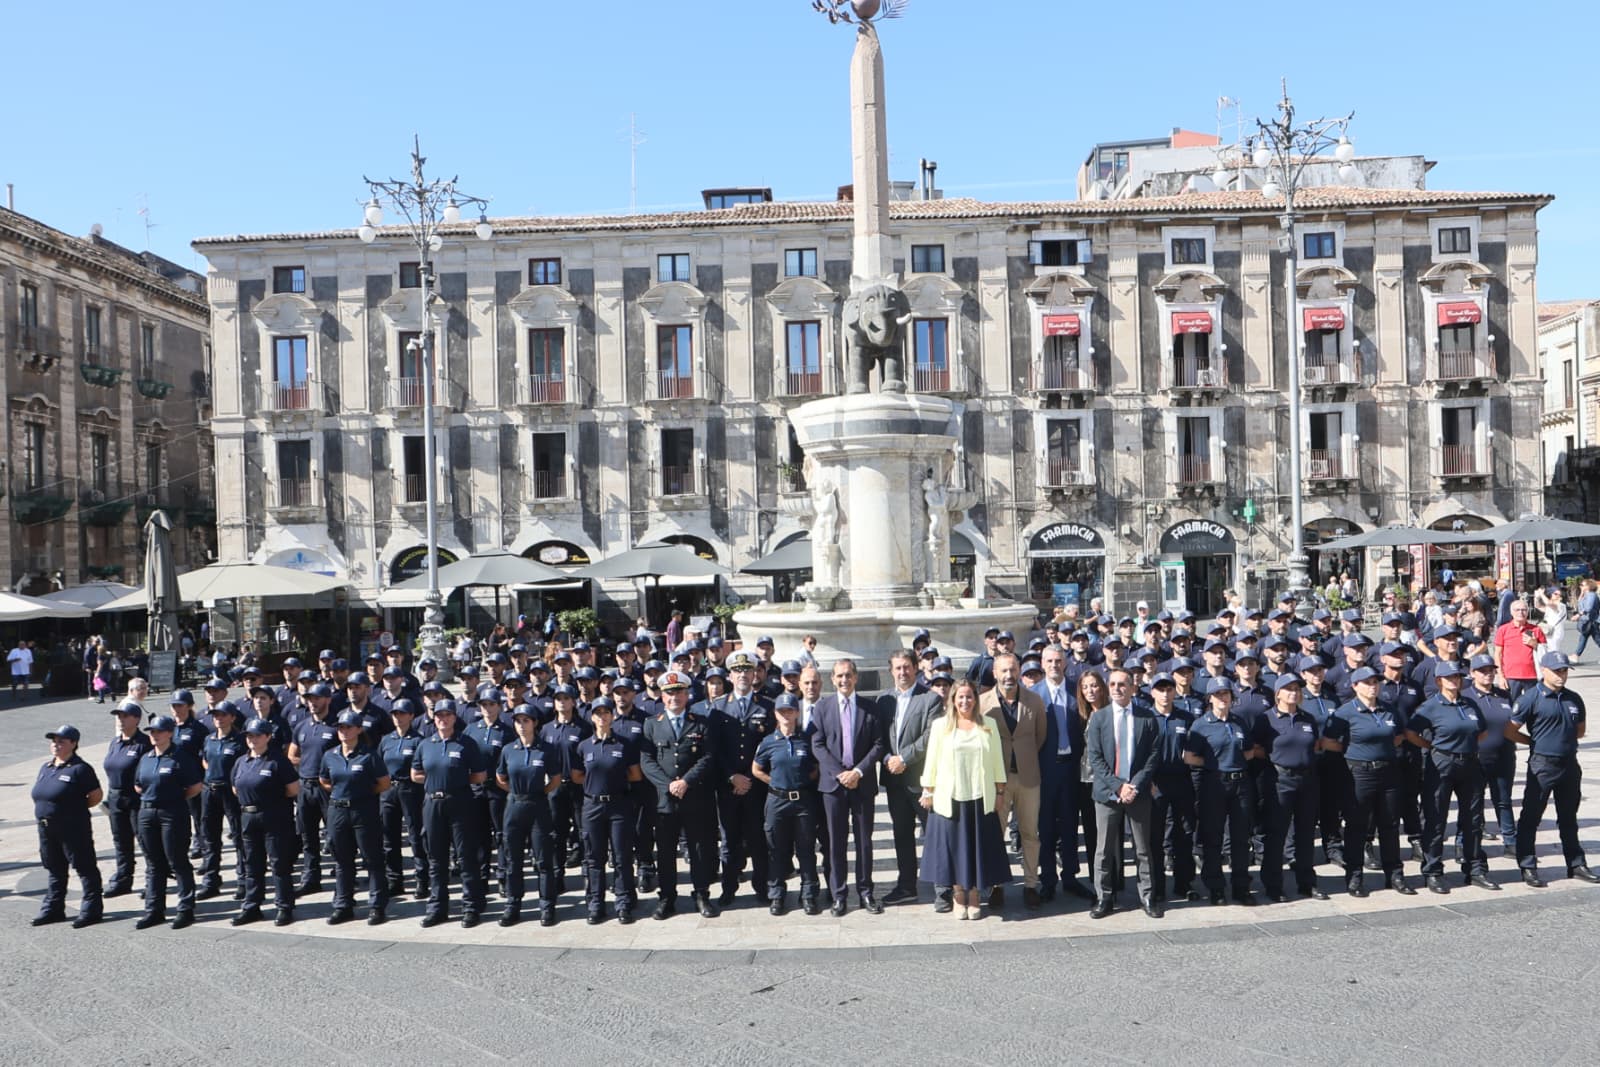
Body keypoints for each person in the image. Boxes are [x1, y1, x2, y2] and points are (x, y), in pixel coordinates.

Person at [919, 679, 1010, 920]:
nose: (965, 701)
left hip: (980, 797)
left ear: (975, 699)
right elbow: (932, 760)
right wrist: (927, 790)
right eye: (960, 697)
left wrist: (1000, 792)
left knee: (976, 849)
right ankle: (958, 894)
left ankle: (974, 895)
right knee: (954, 850)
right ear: (953, 700)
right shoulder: (941, 726)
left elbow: (997, 761)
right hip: (951, 797)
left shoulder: (988, 724)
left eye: (969, 696)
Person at [1508, 652, 1597, 887]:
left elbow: (1579, 730)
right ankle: (1527, 865)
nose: (1561, 675)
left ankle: (1576, 864)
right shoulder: (1531, 698)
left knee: (1568, 817)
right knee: (1531, 817)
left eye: (1564, 671)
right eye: (1557, 671)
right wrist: (1533, 742)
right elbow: (1510, 730)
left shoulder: (1573, 698)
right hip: (1542, 764)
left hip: (1569, 764)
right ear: (1544, 670)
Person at [1405, 662, 1495, 893]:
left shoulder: (1469, 704)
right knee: (1435, 819)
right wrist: (1432, 746)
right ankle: (1433, 870)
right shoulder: (1430, 707)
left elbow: (1482, 731)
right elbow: (1411, 733)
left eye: (1458, 677)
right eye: (1450, 677)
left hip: (1470, 762)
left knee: (1473, 819)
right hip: (1442, 763)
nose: (1455, 681)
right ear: (1439, 681)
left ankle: (1474, 868)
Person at [1324, 667, 1414, 898]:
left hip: (1388, 772)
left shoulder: (1389, 709)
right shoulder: (1345, 713)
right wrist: (1353, 751)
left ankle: (1394, 874)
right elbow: (1328, 742)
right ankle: (1354, 876)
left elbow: (1398, 736)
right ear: (1355, 686)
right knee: (1357, 826)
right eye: (1366, 682)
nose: (1372, 686)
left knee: (1390, 825)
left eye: (1375, 681)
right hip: (1359, 773)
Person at [639, 670, 720, 919]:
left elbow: (708, 758)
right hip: (666, 800)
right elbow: (646, 760)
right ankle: (667, 898)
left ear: (687, 694)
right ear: (662, 696)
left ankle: (701, 894)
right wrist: (668, 785)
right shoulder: (652, 724)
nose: (675, 697)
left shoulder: (701, 723)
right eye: (669, 693)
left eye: (679, 692)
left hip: (695, 797)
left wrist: (685, 781)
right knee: (665, 850)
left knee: (698, 848)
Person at [811, 658, 885, 916]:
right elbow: (817, 744)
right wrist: (840, 773)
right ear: (832, 679)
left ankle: (866, 892)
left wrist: (857, 771)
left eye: (848, 676)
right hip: (833, 786)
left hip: (862, 784)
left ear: (856, 678)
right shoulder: (822, 708)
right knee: (835, 843)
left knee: (864, 842)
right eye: (839, 676)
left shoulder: (870, 708)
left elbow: (878, 744)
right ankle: (839, 895)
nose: (844, 680)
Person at [1085, 669, 1161, 918]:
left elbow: (1152, 757)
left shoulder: (1147, 718)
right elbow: (1095, 758)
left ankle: (1147, 896)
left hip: (1138, 793)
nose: (1117, 688)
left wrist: (1134, 785)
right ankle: (1103, 898)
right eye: (1113, 684)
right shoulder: (1099, 718)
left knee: (1142, 848)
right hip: (1108, 793)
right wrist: (1118, 786)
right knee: (1104, 850)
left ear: (1132, 688)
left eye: (1122, 684)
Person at [410, 700, 489, 927]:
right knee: (436, 859)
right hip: (433, 804)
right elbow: (415, 773)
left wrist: (456, 782)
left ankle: (471, 907)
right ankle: (438, 908)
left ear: (454, 718)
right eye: (438, 716)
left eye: (447, 715)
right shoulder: (426, 744)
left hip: (460, 802)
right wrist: (436, 782)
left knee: (465, 858)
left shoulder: (466, 743)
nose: (442, 719)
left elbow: (480, 775)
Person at [707, 650, 775, 907]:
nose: (743, 675)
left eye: (747, 670)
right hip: (728, 787)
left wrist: (749, 777)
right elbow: (714, 749)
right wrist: (732, 776)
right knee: (729, 841)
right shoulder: (718, 707)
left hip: (757, 786)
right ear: (729, 676)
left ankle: (762, 886)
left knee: (758, 839)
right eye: (737, 671)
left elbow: (769, 747)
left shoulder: (767, 706)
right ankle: (729, 888)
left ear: (755, 673)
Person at [980, 652, 1046, 909]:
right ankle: (996, 884)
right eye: (1003, 671)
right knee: (996, 834)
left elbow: (1040, 737)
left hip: (1028, 777)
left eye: (1013, 670)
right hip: (997, 781)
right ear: (995, 673)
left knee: (1030, 833)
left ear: (1019, 671)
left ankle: (1031, 884)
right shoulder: (983, 703)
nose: (1009, 675)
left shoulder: (1034, 701)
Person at [1184, 681, 1260, 905]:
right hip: (1214, 783)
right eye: (1217, 694)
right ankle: (1215, 887)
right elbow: (1189, 757)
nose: (1222, 698)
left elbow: (1249, 752)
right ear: (1210, 698)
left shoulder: (1239, 723)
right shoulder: (1201, 725)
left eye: (1225, 693)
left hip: (1240, 783)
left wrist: (1232, 764)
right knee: (1213, 837)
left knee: (1239, 838)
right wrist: (1215, 765)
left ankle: (1241, 886)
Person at [876, 649, 941, 906]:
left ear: (915, 668)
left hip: (921, 780)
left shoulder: (930, 699)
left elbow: (930, 736)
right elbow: (878, 737)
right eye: (897, 668)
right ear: (891, 671)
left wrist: (903, 758)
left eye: (907, 667)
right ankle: (906, 886)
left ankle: (943, 888)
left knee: (934, 834)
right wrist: (887, 760)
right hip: (894, 781)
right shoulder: (884, 700)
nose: (902, 672)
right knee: (901, 834)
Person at [1256, 674, 1329, 901]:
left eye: (1297, 689)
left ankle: (1307, 882)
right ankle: (1273, 885)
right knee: (1276, 834)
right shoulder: (1266, 719)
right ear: (1277, 693)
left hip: (1307, 780)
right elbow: (1257, 749)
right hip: (1280, 780)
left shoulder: (1307, 718)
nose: (1294, 693)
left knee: (1305, 834)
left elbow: (1314, 745)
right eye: (1288, 689)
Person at [752, 693, 822, 915]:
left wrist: (800, 783)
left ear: (797, 713)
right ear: (775, 714)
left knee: (806, 850)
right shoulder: (768, 742)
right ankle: (777, 895)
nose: (786, 715)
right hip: (777, 801)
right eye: (782, 711)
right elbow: (756, 769)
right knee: (777, 850)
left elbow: (815, 768)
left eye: (790, 710)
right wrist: (776, 784)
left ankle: (809, 894)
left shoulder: (805, 740)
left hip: (802, 802)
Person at [320, 709, 392, 925]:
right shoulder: (330, 755)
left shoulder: (369, 755)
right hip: (338, 810)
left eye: (348, 727)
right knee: (342, 860)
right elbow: (324, 780)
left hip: (363, 810)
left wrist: (361, 794)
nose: (343, 731)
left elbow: (384, 783)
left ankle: (376, 905)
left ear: (359, 730)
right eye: (340, 727)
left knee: (372, 859)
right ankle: (343, 905)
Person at [575, 697, 642, 924]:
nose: (602, 717)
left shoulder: (624, 744)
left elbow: (635, 775)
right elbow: (577, 776)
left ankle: (623, 902)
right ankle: (596, 904)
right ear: (592, 717)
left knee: (622, 856)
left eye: (606, 712)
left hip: (618, 805)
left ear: (612, 716)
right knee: (594, 857)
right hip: (592, 805)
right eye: (598, 713)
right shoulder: (584, 746)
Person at [133, 715, 204, 929]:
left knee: (177, 861)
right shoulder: (146, 757)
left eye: (159, 731)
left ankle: (185, 908)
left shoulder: (180, 757)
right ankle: (154, 910)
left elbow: (194, 786)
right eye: (152, 732)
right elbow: (138, 785)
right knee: (154, 863)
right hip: (147, 813)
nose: (154, 735)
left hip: (172, 812)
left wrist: (172, 799)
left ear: (170, 733)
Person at [31, 725, 104, 927]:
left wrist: (73, 809)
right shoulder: (46, 767)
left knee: (84, 867)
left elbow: (96, 796)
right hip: (47, 827)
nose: (56, 744)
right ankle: (53, 909)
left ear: (73, 744)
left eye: (61, 741)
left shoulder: (80, 769)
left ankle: (91, 910)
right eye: (53, 740)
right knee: (55, 868)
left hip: (73, 826)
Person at [230, 717, 300, 926]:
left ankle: (284, 906)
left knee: (278, 863)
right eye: (249, 735)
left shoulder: (277, 761)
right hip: (248, 817)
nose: (252, 739)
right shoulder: (241, 761)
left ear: (268, 737)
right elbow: (236, 787)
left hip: (273, 816)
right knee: (252, 864)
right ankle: (252, 906)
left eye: (257, 735)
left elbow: (293, 789)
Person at [1033, 645, 1089, 907]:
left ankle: (1070, 876)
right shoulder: (1033, 695)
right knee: (1045, 827)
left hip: (1071, 767)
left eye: (1058, 660)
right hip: (1045, 769)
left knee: (1069, 824)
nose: (1054, 665)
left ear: (1065, 663)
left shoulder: (1077, 690)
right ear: (1042, 664)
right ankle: (1047, 879)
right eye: (1049, 661)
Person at [497, 702, 560, 927]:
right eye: (518, 721)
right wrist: (516, 793)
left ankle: (547, 906)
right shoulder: (508, 749)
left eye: (526, 721)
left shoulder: (546, 749)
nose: (522, 725)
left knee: (543, 860)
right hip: (514, 805)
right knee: (513, 860)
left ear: (535, 723)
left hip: (538, 805)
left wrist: (538, 793)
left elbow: (555, 779)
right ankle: (513, 905)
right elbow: (501, 778)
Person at [286, 682, 339, 894]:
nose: (313, 703)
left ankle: (343, 874)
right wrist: (304, 767)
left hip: (327, 788)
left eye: (317, 698)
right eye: (309, 699)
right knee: (308, 836)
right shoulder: (302, 726)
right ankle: (310, 878)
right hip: (305, 787)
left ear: (327, 700)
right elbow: (292, 754)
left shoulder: (336, 726)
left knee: (335, 835)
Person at [102, 700, 153, 898]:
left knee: (145, 841)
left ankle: (153, 880)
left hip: (136, 798)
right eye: (119, 716)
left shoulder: (143, 743)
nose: (121, 720)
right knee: (121, 841)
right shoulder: (115, 743)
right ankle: (123, 879)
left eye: (125, 716)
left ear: (137, 719)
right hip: (116, 797)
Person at [197, 702, 247, 900]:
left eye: (223, 715)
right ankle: (211, 880)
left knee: (239, 837)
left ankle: (243, 879)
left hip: (230, 792)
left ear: (232, 717)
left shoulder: (240, 740)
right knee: (210, 837)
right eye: (215, 715)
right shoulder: (209, 739)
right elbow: (205, 759)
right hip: (210, 790)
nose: (218, 718)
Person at [1493, 600, 1546, 703]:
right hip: (1511, 676)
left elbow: (1546, 653)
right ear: (1511, 612)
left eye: (1524, 610)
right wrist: (1500, 676)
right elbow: (1497, 654)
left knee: (1533, 706)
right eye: (1517, 610)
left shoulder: (1536, 630)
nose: (1521, 613)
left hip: (1532, 676)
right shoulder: (1503, 630)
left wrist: (1535, 644)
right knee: (1512, 707)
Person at [1575, 579, 1600, 662]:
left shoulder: (1591, 595)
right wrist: (1581, 594)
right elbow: (1579, 605)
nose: (1581, 586)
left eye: (1583, 585)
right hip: (1588, 620)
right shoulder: (1586, 595)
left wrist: (1579, 615)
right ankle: (1576, 655)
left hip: (1592, 620)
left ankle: (1576, 655)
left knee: (1597, 639)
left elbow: (1588, 608)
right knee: (1584, 637)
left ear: (1589, 586)